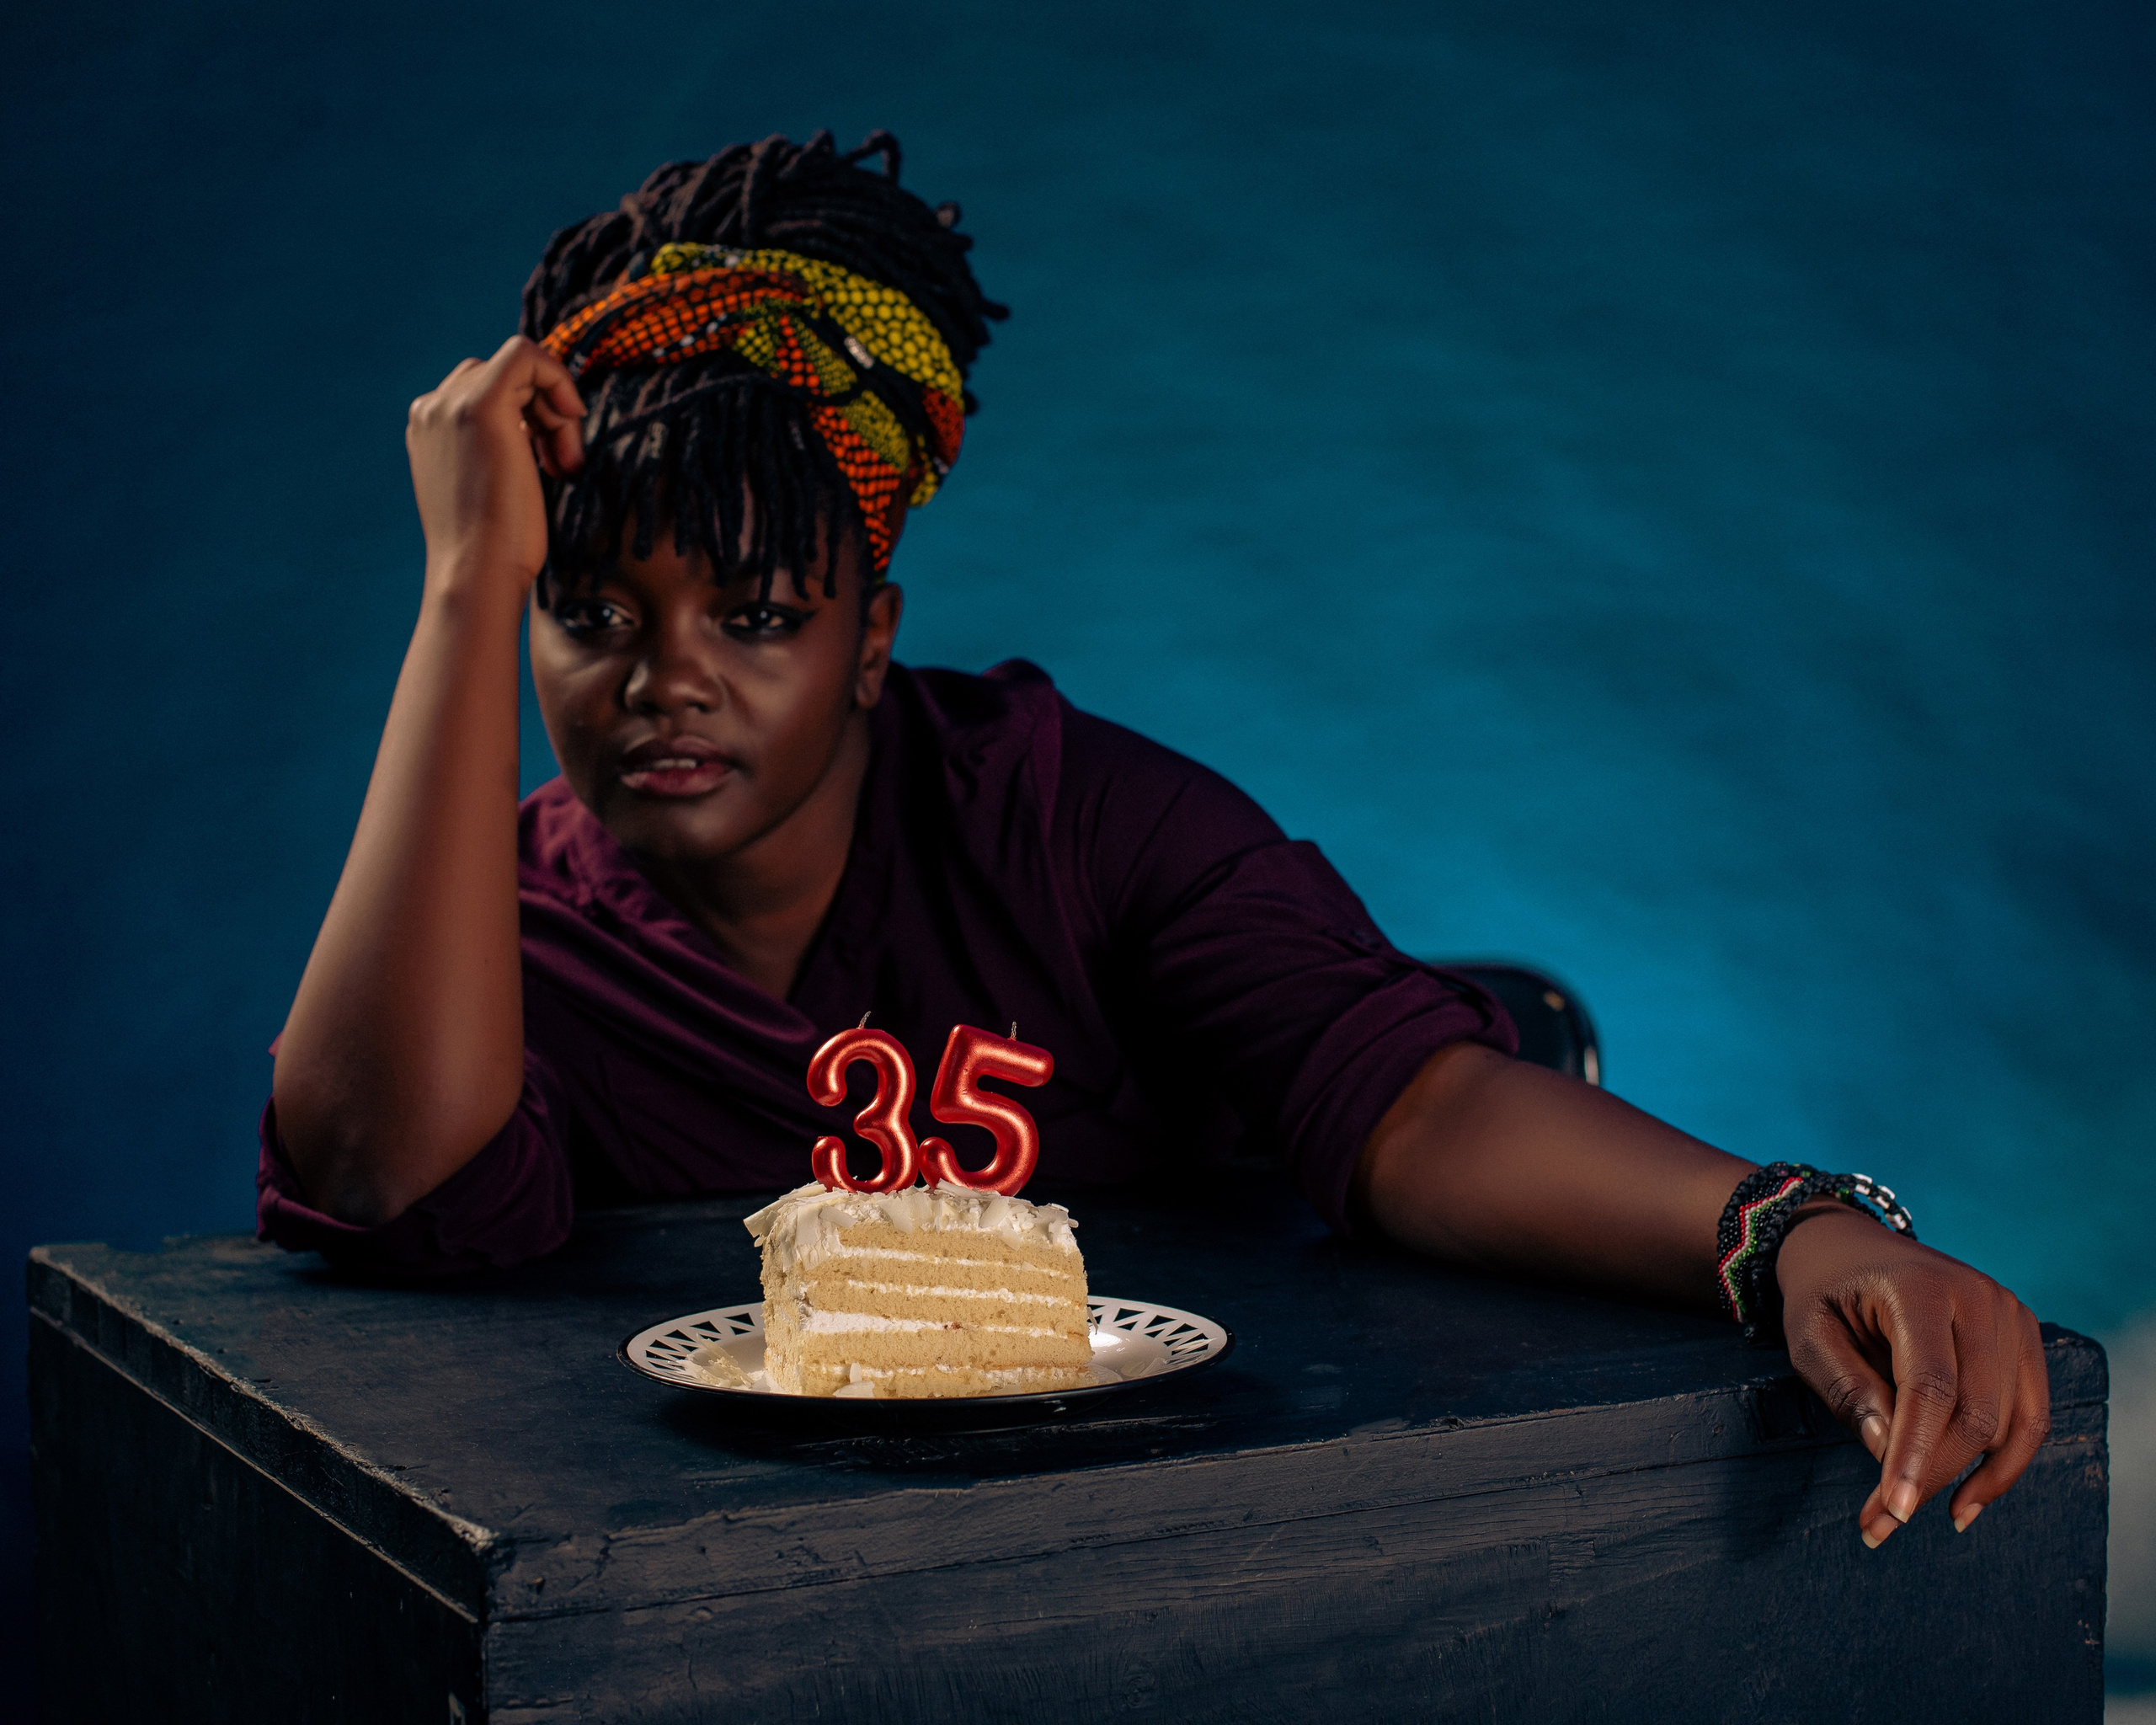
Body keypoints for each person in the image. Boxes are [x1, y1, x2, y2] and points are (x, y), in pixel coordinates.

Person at [263, 130, 2048, 1553]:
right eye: (584, 614)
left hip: (1195, 1545)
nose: (667, 680)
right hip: (708, 1587)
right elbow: (379, 1175)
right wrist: (461, 584)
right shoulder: (492, 928)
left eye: (756, 615)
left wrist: (1794, 1230)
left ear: (871, 642)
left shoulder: (1065, 814)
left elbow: (1403, 1101)